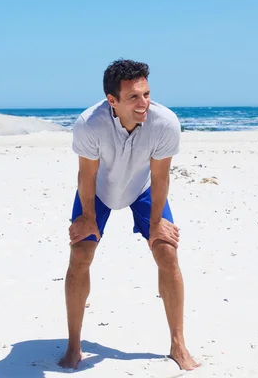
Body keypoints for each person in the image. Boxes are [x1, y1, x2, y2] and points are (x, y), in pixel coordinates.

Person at [58, 59, 200, 371]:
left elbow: (161, 176)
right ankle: (73, 346)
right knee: (80, 253)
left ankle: (178, 344)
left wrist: (157, 222)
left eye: (147, 94)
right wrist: (88, 218)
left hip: (143, 188)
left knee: (167, 252)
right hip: (97, 190)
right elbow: (86, 175)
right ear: (113, 100)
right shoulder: (89, 124)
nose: (144, 103)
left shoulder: (165, 122)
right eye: (134, 97)